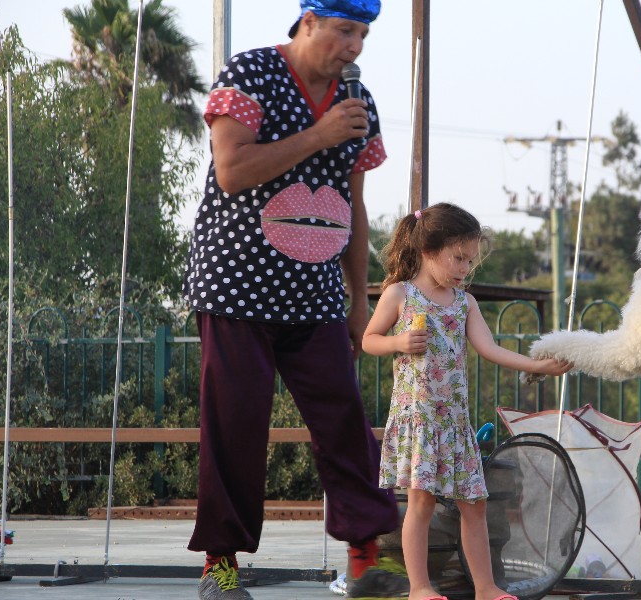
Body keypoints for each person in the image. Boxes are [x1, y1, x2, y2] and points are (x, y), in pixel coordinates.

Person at [182, 1, 399, 598]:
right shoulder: (249, 74)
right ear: (308, 22)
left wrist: (360, 300)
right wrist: (319, 135)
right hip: (237, 286)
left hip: (317, 293)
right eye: (343, 31)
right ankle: (220, 566)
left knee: (345, 422)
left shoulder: (358, 104)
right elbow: (231, 170)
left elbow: (354, 207)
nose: (354, 46)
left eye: (362, 34)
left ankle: (366, 557)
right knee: (236, 424)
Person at [362, 204, 572, 600]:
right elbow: (368, 340)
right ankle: (420, 587)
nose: (464, 268)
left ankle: (486, 587)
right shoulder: (400, 294)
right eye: (457, 258)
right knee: (421, 503)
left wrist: (539, 365)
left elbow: (490, 349)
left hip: (453, 421)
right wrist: (397, 342)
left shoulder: (464, 303)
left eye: (470, 261)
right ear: (428, 249)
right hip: (418, 418)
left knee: (474, 504)